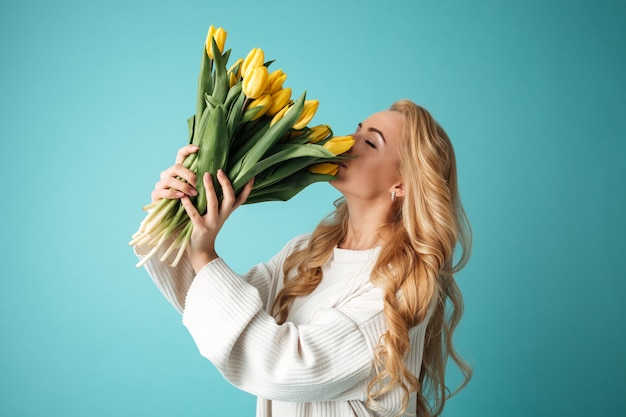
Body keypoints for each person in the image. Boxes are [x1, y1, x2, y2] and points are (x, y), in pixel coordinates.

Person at [135, 99, 472, 417]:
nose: (347, 140)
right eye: (357, 129)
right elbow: (216, 309)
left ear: (401, 184)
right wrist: (176, 214)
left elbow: (287, 365)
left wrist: (204, 253)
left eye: (371, 143)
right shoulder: (306, 252)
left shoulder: (399, 287)